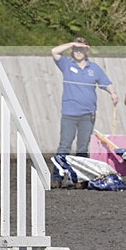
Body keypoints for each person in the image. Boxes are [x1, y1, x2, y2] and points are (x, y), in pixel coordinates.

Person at [51, 37, 118, 188]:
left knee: (82, 147)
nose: (78, 52)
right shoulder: (67, 64)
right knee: (64, 146)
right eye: (76, 49)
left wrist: (113, 93)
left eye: (81, 49)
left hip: (87, 114)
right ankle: (57, 177)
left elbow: (106, 83)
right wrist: (71, 43)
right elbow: (54, 51)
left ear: (86, 51)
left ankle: (80, 179)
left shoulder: (94, 68)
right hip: (69, 114)